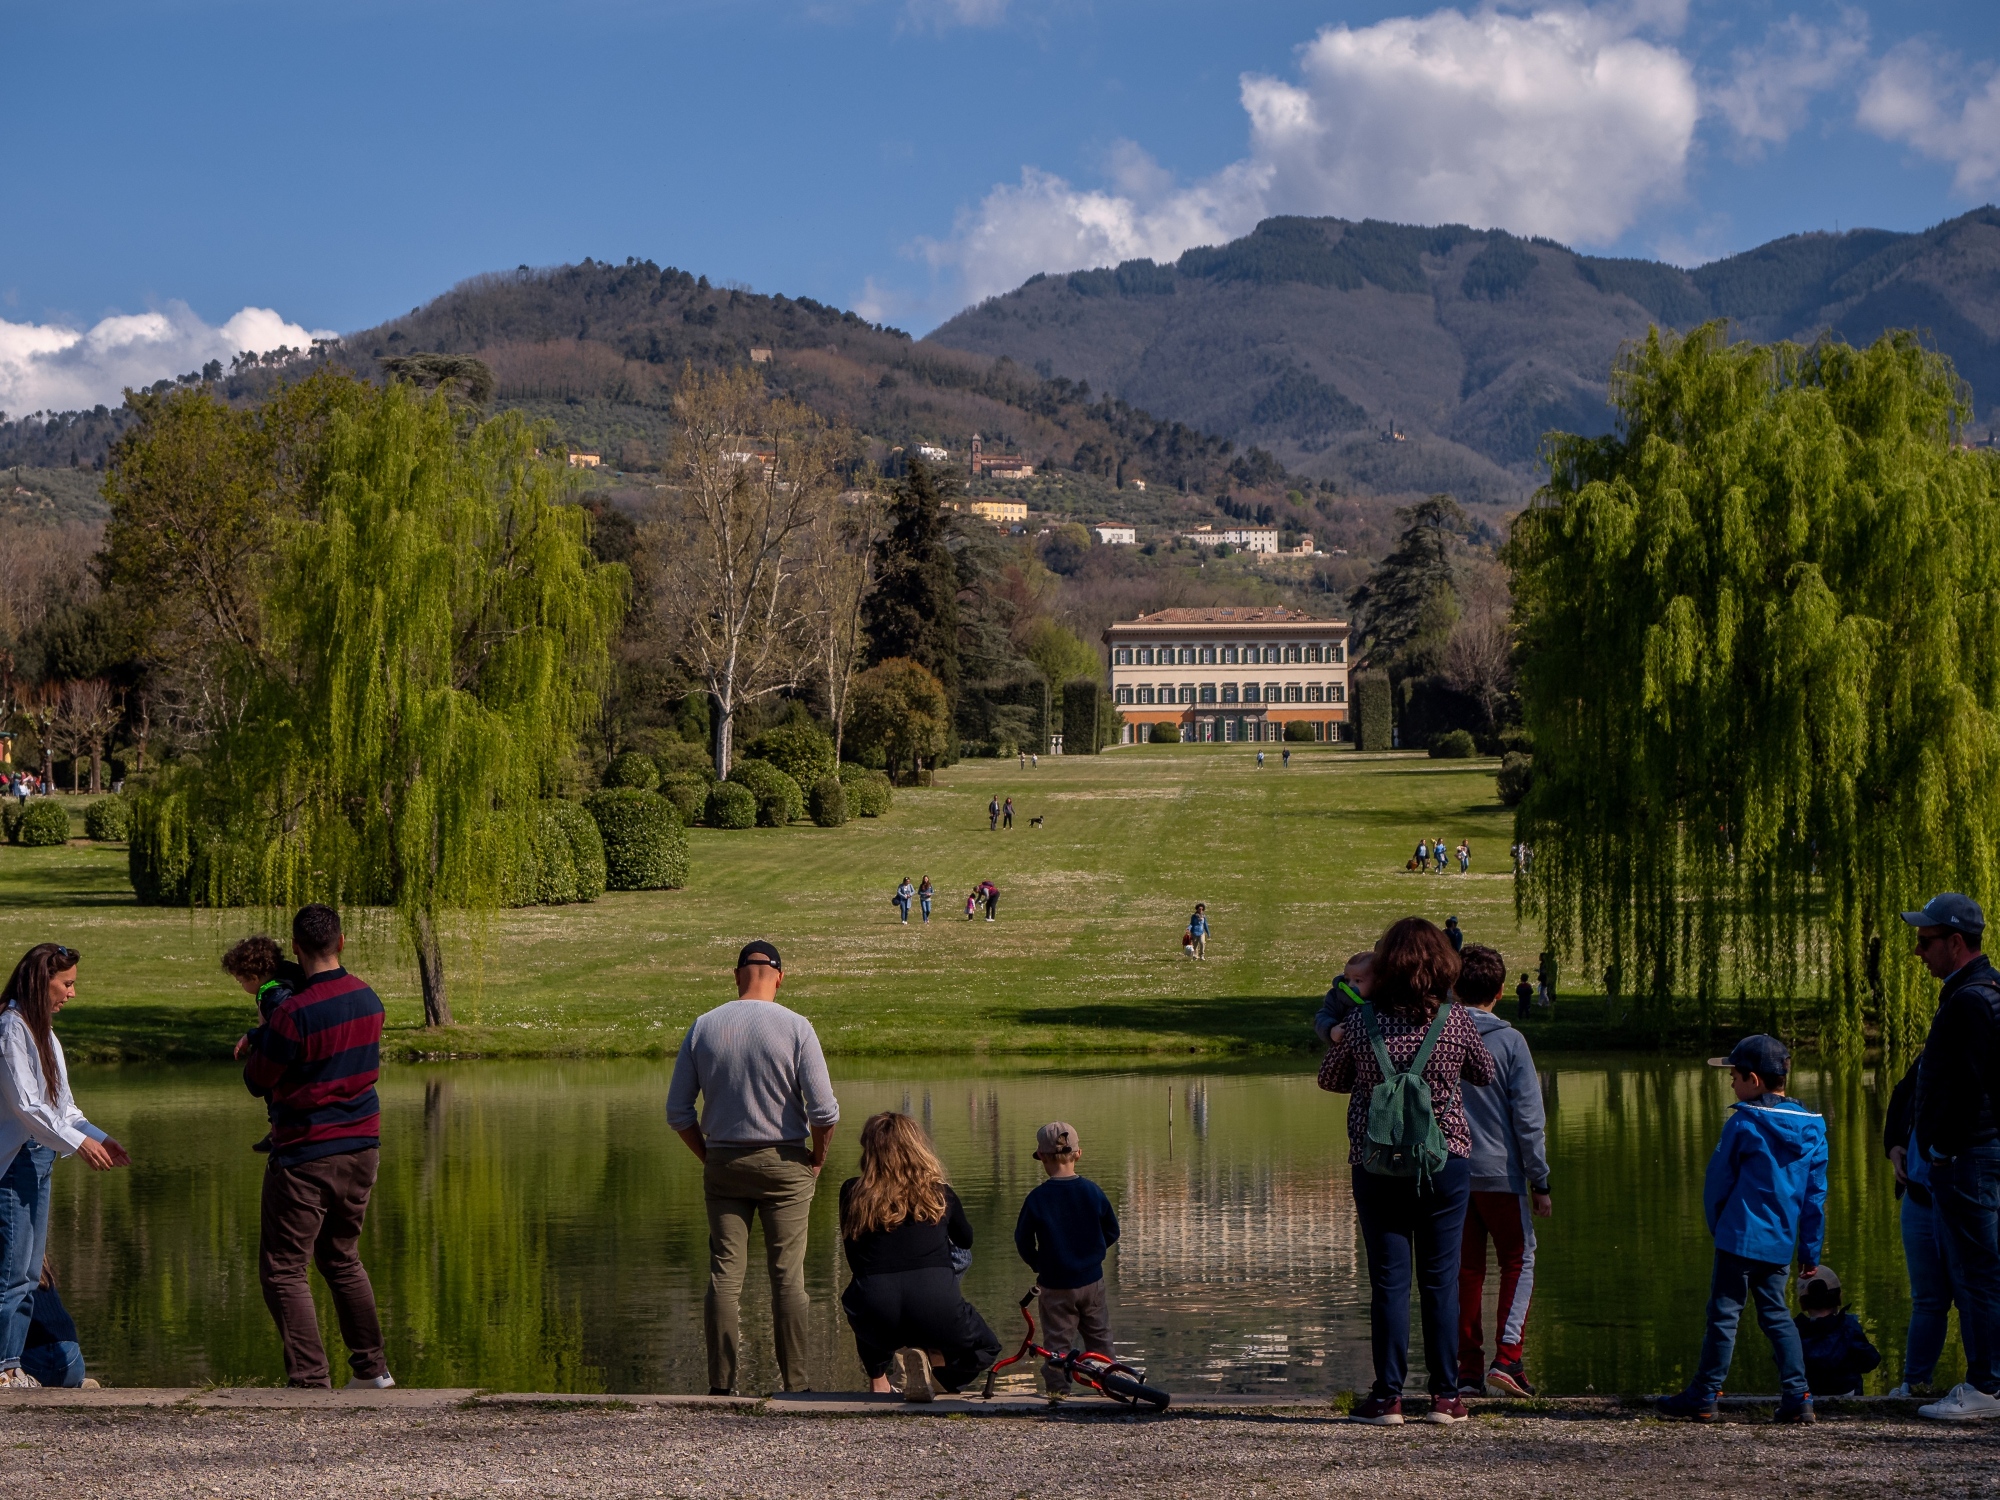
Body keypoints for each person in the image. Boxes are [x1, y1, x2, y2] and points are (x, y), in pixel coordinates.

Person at [1319, 918, 1496, 1425]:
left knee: (1389, 1283)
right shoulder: (1455, 1020)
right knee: (1440, 1281)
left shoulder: (1362, 1022)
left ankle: (1388, 1397)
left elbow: (1330, 1080)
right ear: (1442, 965)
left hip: (1377, 1166)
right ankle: (1445, 1396)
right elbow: (1483, 1072)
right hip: (1445, 1162)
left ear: (1386, 966)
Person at [667, 940, 840, 1395]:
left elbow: (678, 1113)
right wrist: (817, 1161)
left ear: (737, 974)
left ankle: (722, 1387)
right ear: (779, 976)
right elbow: (824, 1113)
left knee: (725, 1275)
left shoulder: (704, 1026)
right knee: (788, 1277)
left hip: (724, 1161)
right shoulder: (797, 1027)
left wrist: (711, 1157)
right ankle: (796, 1389)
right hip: (786, 1162)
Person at [241, 905, 391, 1390]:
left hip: (307, 1151)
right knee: (341, 1257)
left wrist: (257, 1040)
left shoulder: (293, 1012)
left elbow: (258, 1078)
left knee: (284, 1270)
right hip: (363, 1146)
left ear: (297, 949)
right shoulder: (369, 1000)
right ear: (342, 942)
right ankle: (373, 1372)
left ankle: (310, 1382)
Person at [1657, 1034, 1825, 1423]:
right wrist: (1809, 1252)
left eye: (1733, 1075)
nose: (1731, 1082)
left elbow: (1717, 1182)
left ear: (1754, 1080)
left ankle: (1704, 1393)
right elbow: (1816, 1197)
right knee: (1777, 1316)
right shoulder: (1814, 1129)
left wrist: (1720, 1227)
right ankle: (1799, 1396)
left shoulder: (1743, 1122)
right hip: (1781, 1242)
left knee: (1723, 1315)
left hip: (1739, 1236)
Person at [0, 944, 130, 1388]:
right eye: (67, 983)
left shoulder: (44, 1033)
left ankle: (13, 1366)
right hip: (16, 1161)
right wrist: (79, 1143)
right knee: (15, 1272)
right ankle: (5, 1369)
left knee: (31, 1269)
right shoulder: (11, 1029)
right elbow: (28, 1107)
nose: (72, 993)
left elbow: (64, 1108)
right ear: (43, 981)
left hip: (40, 1158)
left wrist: (98, 1135)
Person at [1901, 893, 2000, 1420]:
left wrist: (1940, 1149)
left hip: (1965, 1160)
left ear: (1955, 943)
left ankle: (1985, 1387)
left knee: (1977, 1273)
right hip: (1978, 1154)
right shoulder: (1987, 990)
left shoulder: (1968, 1001)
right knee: (1983, 1270)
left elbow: (1967, 1087)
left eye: (1925, 941)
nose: (1919, 952)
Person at [839, 1112, 999, 1402]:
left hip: (876, 1316)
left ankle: (879, 1381)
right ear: (918, 1147)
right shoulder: (940, 1193)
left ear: (869, 1150)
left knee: (864, 1290)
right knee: (987, 1348)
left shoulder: (852, 1192)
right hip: (936, 1307)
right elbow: (966, 1240)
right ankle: (939, 1375)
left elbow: (855, 1259)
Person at [1453, 944, 1551, 1397]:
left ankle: (1466, 1371)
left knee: (1464, 1269)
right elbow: (1529, 1119)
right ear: (1500, 991)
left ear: (1454, 986)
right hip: (1500, 1173)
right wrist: (1541, 1179)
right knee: (1519, 1258)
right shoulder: (1510, 1041)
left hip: (1449, 1172)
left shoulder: (1439, 1035)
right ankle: (1508, 1357)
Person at [1015, 1122, 1120, 1397]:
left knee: (1058, 1344)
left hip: (1055, 1285)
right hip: (1092, 1281)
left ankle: (1059, 1393)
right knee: (1100, 1339)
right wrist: (1093, 1254)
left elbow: (1022, 1240)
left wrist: (1040, 1264)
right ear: (1078, 1154)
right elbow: (1112, 1230)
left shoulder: (1037, 1198)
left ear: (1043, 1158)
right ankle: (1111, 1388)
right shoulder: (1093, 1191)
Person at [1885, 1058, 1954, 1396]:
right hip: (1919, 1196)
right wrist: (1895, 1144)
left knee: (1977, 1296)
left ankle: (1985, 1386)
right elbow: (1903, 1093)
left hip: (1966, 1200)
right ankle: (1915, 1384)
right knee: (1927, 1299)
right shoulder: (1932, 1052)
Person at [222, 936, 306, 1154]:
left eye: (241, 981)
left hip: (286, 1057)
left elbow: (282, 1026)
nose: (242, 986)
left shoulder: (272, 994)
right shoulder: (289, 973)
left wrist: (253, 1035)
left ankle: (276, 1129)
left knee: (272, 1089)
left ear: (254, 976)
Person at [1794, 1266, 1880, 1397]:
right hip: (1847, 1392)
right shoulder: (1848, 1327)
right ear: (1839, 1297)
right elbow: (1871, 1360)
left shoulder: (1794, 1331)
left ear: (1802, 1303)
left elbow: (1782, 1362)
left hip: (1807, 1393)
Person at [21, 1259, 90, 1389]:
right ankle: (78, 1383)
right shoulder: (45, 1273)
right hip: (71, 1358)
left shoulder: (10, 1276)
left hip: (34, 1362)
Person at [1315, 952, 1373, 1046]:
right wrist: (1331, 1029)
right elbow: (1323, 1016)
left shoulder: (1383, 999)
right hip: (1346, 1048)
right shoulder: (1338, 996)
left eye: (1358, 980)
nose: (1350, 985)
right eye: (1347, 980)